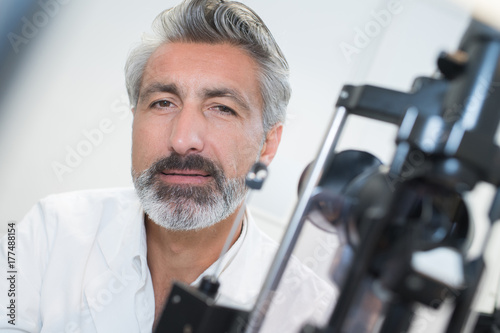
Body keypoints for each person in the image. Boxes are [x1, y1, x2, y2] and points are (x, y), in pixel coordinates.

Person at [0, 0, 335, 332]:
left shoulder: (309, 311)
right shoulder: (49, 231)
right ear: (134, 122)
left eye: (221, 108)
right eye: (163, 103)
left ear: (267, 144)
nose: (182, 139)